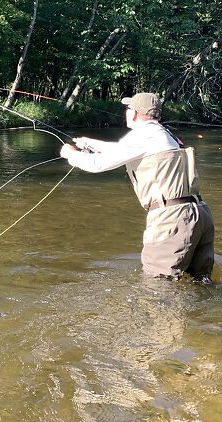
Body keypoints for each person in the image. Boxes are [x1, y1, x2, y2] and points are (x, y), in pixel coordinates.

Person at [60, 93, 214, 281]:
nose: (126, 112)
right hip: (200, 213)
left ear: (134, 113)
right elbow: (124, 150)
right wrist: (90, 143)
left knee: (157, 286)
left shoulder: (142, 136)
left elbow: (97, 165)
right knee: (201, 282)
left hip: (172, 219)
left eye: (128, 108)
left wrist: (70, 155)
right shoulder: (164, 134)